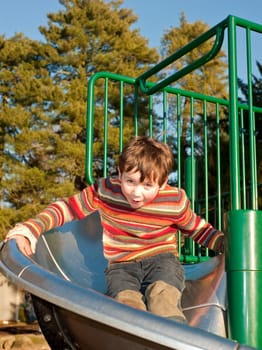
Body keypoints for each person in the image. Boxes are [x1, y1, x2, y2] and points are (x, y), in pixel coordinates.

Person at [6, 136, 224, 323]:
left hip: (161, 259)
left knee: (162, 296)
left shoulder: (174, 200)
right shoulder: (107, 190)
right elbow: (67, 208)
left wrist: (226, 244)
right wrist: (31, 228)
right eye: (130, 181)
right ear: (120, 173)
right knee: (126, 304)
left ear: (163, 182)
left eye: (147, 186)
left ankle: (173, 341)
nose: (137, 193)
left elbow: (197, 229)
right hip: (122, 265)